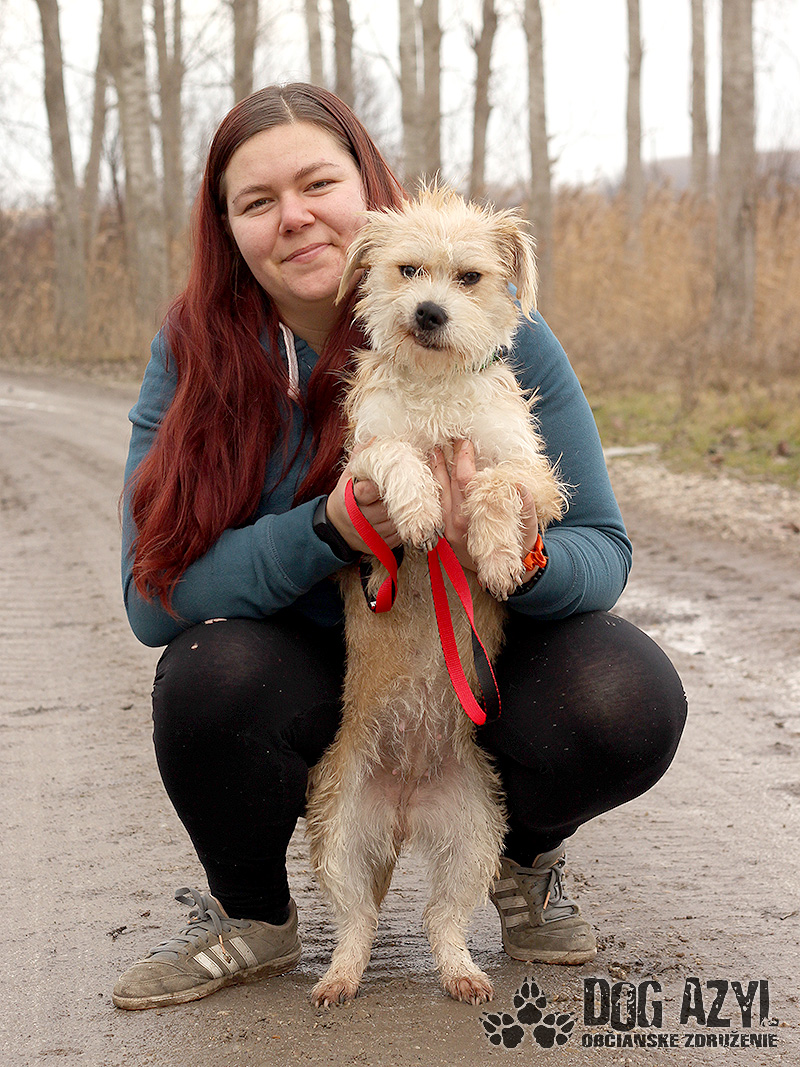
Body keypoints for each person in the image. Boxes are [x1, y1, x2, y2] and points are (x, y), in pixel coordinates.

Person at [113, 83, 687, 1011]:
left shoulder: (498, 333)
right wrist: (328, 530)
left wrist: (519, 550)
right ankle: (251, 915)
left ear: (366, 188)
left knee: (625, 692)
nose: (293, 216)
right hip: (317, 674)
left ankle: (523, 860)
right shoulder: (192, 354)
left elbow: (604, 550)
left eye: (317, 183)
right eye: (257, 201)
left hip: (474, 661)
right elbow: (151, 600)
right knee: (209, 676)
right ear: (228, 230)